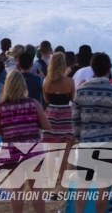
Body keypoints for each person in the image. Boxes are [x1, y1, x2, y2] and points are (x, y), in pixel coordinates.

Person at [72, 52, 112, 213]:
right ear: (108, 69)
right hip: (109, 144)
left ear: (93, 69)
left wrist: (79, 137)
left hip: (86, 143)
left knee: (83, 184)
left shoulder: (82, 91)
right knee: (103, 186)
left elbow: (75, 119)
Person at [0, 70, 51, 213]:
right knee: (36, 188)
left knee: (16, 189)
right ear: (22, 85)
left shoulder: (2, 107)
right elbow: (47, 125)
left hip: (13, 151)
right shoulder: (33, 103)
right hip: (33, 150)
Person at [41, 52, 75, 185]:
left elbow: (46, 99)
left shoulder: (46, 81)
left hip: (51, 114)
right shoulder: (69, 81)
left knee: (51, 151)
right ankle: (62, 179)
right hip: (66, 115)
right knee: (64, 153)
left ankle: (50, 179)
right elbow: (73, 99)